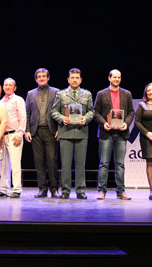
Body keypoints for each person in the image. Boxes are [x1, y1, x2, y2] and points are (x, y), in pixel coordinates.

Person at [51, 68, 94, 199]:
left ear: (80, 80)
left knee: (81, 164)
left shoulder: (87, 94)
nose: (74, 80)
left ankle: (80, 191)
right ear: (68, 79)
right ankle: (65, 191)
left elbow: (92, 111)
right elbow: (54, 111)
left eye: (77, 78)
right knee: (65, 164)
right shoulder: (61, 94)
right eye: (72, 77)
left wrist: (85, 118)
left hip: (81, 133)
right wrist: (61, 119)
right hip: (66, 133)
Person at [94, 69, 134, 200]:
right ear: (109, 78)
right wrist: (103, 123)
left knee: (120, 164)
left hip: (121, 134)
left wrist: (126, 124)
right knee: (104, 163)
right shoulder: (101, 94)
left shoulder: (127, 94)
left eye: (119, 77)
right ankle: (102, 191)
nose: (117, 79)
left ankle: (121, 192)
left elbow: (131, 113)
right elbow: (96, 113)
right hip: (106, 133)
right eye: (114, 77)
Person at [25, 68, 60, 198]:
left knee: (52, 161)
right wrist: (27, 130)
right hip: (36, 132)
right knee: (39, 162)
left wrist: (60, 130)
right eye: (39, 76)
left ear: (48, 78)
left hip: (51, 131)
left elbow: (61, 111)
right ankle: (42, 189)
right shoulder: (30, 94)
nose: (41, 78)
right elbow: (27, 114)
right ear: (36, 79)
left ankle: (54, 189)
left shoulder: (56, 92)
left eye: (43, 76)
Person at [0, 78, 26, 198]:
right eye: (6, 85)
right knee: (2, 165)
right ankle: (3, 189)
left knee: (15, 163)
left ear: (15, 88)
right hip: (2, 135)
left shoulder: (18, 100)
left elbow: (23, 117)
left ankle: (17, 189)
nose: (8, 87)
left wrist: (20, 133)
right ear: (3, 87)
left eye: (10, 85)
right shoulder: (0, 101)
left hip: (14, 135)